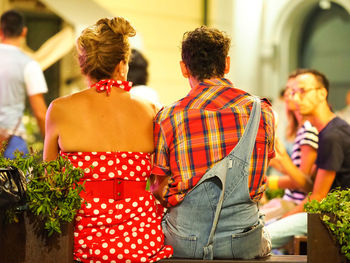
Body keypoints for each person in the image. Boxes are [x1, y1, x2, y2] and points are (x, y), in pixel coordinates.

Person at [43, 17, 173, 262]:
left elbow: (51, 185)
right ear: (123, 65)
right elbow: (160, 186)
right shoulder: (152, 110)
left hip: (83, 242)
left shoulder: (59, 109)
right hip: (142, 241)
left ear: (83, 67)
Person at [150, 26, 275, 259]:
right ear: (226, 64)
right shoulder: (261, 111)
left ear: (183, 68)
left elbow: (159, 188)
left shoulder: (168, 117)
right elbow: (260, 172)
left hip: (185, 242)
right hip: (244, 241)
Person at [266, 69, 350, 248]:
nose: (295, 99)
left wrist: (283, 218)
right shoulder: (327, 131)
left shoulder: (332, 135)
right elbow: (311, 184)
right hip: (323, 213)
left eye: (302, 91)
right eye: (293, 93)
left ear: (322, 93)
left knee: (261, 236)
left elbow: (318, 197)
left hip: (332, 217)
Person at [261, 75, 319, 223]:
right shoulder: (301, 129)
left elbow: (302, 181)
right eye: (288, 90)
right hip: (289, 200)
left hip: (296, 205)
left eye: (294, 91)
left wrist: (267, 181)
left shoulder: (309, 130)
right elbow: (295, 172)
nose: (288, 95)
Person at [0, 9, 47, 158]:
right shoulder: (29, 65)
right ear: (24, 32)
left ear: (1, 30)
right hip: (13, 140)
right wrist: (51, 145)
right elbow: (40, 113)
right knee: (18, 181)